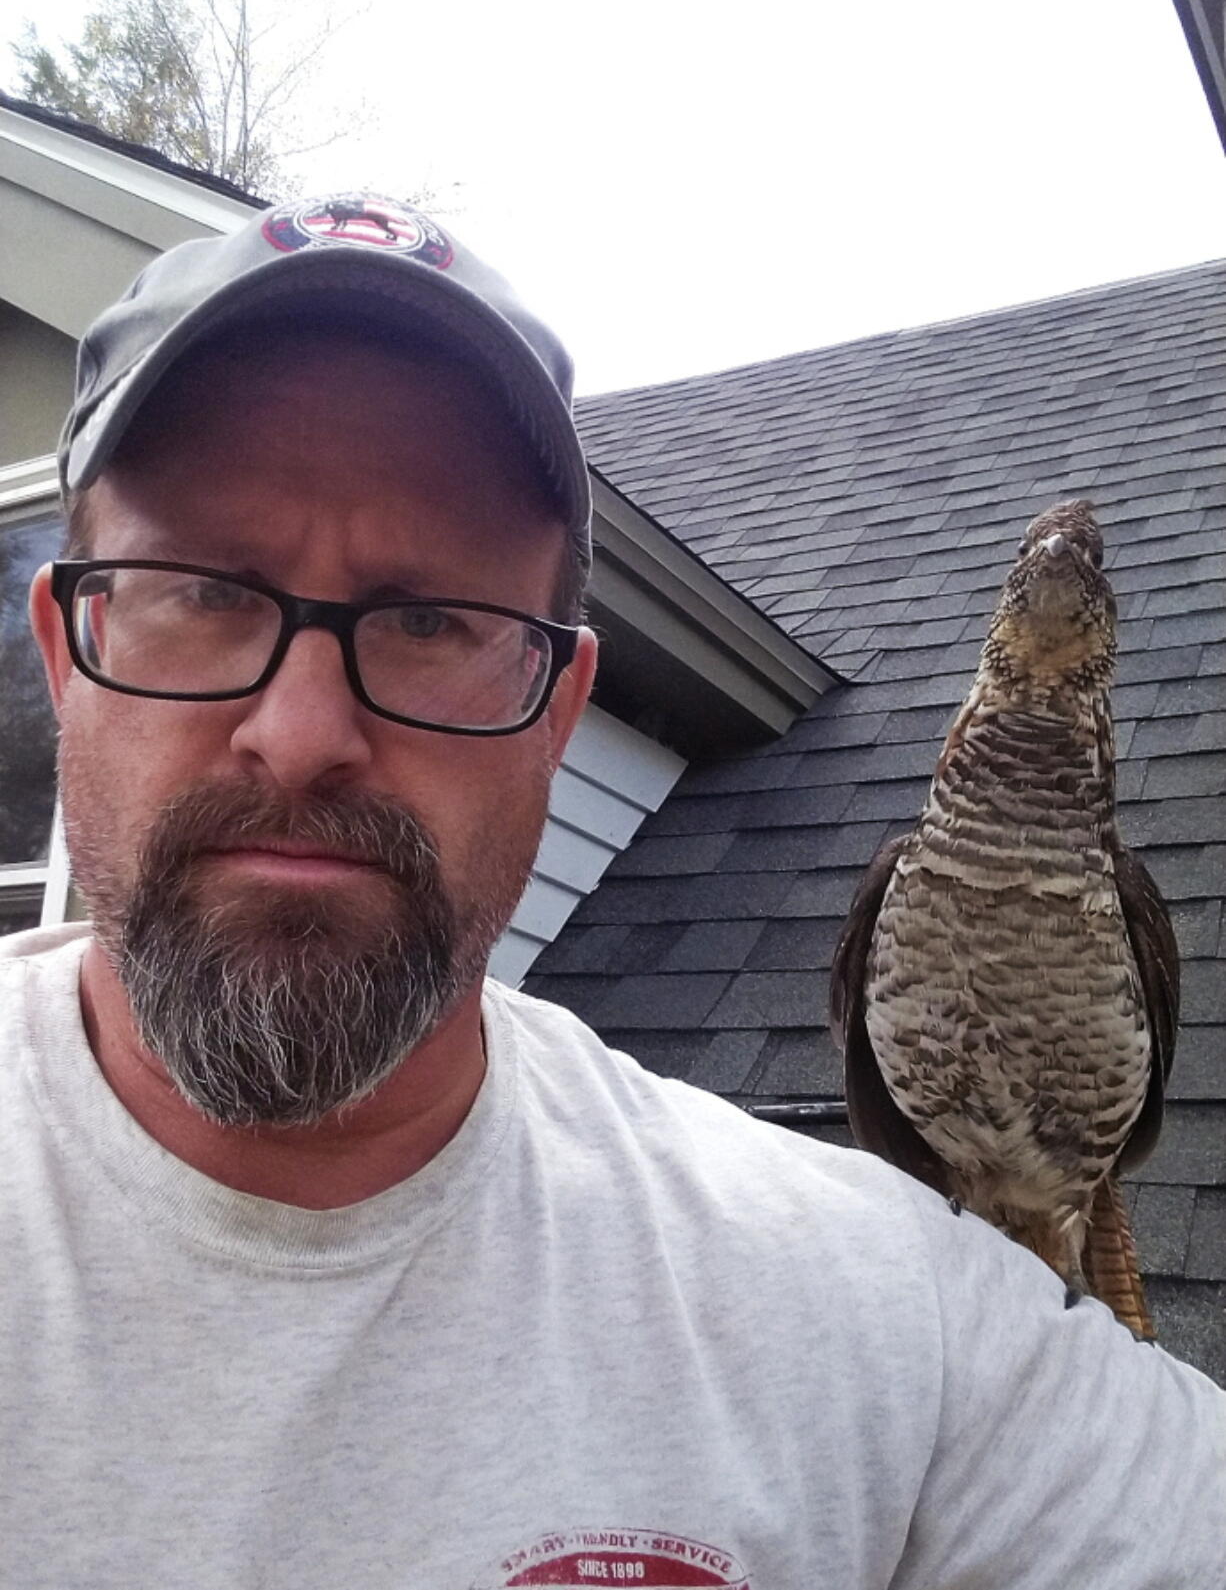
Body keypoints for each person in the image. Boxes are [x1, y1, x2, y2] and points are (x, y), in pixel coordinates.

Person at [1, 191, 1221, 1590]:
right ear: (62, 654)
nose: (299, 729)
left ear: (560, 708)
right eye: (203, 590)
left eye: (426, 621)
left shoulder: (884, 1315)